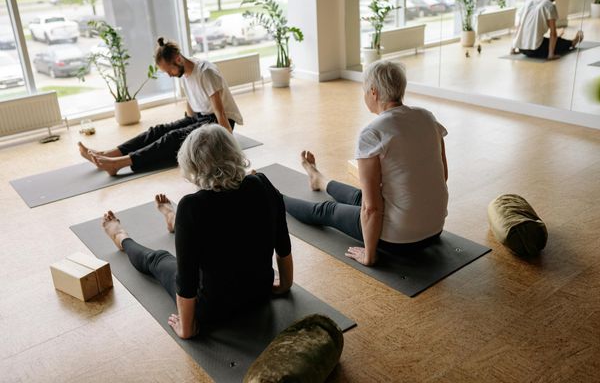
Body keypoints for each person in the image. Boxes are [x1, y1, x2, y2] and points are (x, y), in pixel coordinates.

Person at [101, 124, 294, 339]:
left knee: (158, 259)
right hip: (259, 293)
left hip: (212, 311)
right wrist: (285, 284)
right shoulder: (262, 183)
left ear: (193, 165)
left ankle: (121, 237)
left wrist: (187, 327)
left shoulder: (193, 206)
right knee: (213, 231)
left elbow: (186, 280)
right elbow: (283, 243)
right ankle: (173, 220)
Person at [282, 60, 448, 266]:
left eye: (363, 91)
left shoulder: (373, 133)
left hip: (400, 239)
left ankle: (275, 197)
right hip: (435, 228)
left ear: (373, 92)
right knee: (358, 196)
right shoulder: (427, 117)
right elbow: (443, 176)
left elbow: (372, 209)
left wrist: (370, 255)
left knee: (328, 210)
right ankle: (319, 179)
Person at [78, 37, 244, 176]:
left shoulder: (206, 72)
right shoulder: (185, 73)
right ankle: (108, 154)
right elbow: (192, 103)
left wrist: (229, 147)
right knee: (158, 130)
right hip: (202, 117)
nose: (169, 75)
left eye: (168, 70)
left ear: (178, 59)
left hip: (220, 123)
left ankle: (118, 164)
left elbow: (220, 112)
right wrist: (187, 124)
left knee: (172, 137)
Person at [511, 0, 584, 60]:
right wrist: (551, 55)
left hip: (521, 49)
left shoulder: (529, 3)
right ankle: (573, 42)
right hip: (536, 50)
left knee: (547, 40)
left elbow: (518, 28)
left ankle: (512, 49)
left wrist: (512, 49)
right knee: (559, 41)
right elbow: (553, 33)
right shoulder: (549, 5)